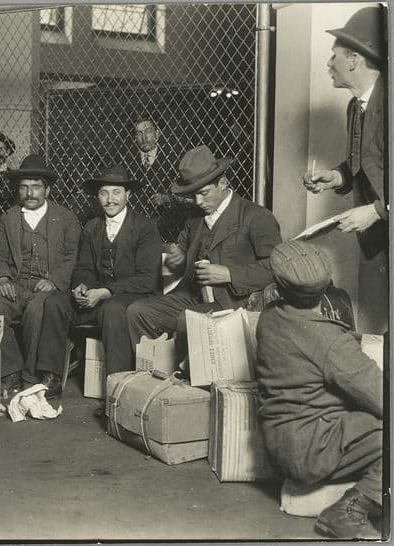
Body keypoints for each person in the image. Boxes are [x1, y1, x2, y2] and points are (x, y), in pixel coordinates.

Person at [256, 240, 382, 540]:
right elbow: (383, 398)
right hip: (314, 450)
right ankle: (347, 511)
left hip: (279, 442)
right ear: (327, 288)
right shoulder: (331, 341)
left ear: (279, 286)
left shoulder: (270, 316)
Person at [126, 145, 282, 363]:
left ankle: (188, 385)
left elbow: (276, 269)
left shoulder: (256, 217)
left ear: (223, 184)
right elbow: (177, 256)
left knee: (187, 320)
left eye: (204, 193)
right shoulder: (195, 219)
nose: (198, 202)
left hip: (234, 303)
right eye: (194, 195)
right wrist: (175, 257)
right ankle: (151, 377)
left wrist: (229, 274)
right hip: (194, 296)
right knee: (138, 312)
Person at [35, 165, 162, 397]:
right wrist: (81, 286)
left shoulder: (145, 227)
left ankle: (116, 388)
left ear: (128, 195)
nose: (110, 199)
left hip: (133, 298)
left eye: (116, 192)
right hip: (98, 297)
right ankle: (50, 378)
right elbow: (83, 268)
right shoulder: (92, 228)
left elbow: (147, 279)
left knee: (113, 310)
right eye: (104, 193)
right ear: (97, 196)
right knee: (55, 303)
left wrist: (105, 291)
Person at [0, 154, 81, 395]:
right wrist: (2, 278)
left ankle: (33, 375)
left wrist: (55, 281)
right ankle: (10, 371)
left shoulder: (65, 218)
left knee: (39, 310)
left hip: (47, 288)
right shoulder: (9, 218)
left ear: (47, 189)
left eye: (36, 187)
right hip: (15, 284)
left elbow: (72, 256)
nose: (29, 193)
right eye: (24, 187)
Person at [302, 6, 387, 260]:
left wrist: (377, 211)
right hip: (380, 240)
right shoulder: (355, 106)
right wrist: (337, 177)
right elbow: (372, 161)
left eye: (334, 56)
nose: (328, 63)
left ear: (353, 60)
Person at [128, 118, 195, 243]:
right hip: (136, 234)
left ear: (157, 133)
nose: (144, 137)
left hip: (170, 232)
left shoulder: (175, 158)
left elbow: (191, 197)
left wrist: (168, 199)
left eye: (148, 131)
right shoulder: (127, 161)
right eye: (139, 133)